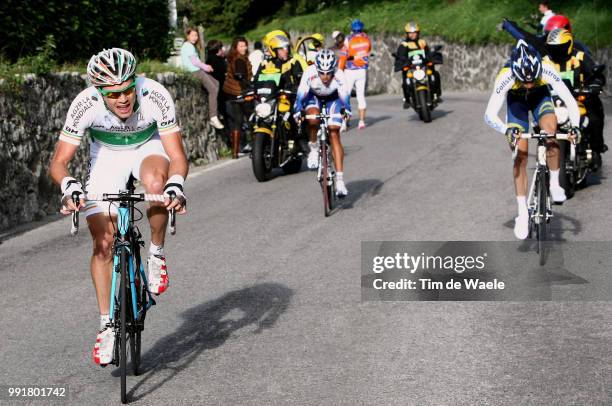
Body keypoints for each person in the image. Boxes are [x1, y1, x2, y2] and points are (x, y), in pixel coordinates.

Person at [49, 48, 188, 365]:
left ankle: (155, 253)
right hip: (107, 157)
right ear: (99, 92)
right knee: (102, 243)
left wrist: (175, 183)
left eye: (127, 90)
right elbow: (59, 162)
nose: (123, 99)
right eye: (113, 94)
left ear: (135, 82)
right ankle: (107, 325)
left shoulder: (155, 94)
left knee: (155, 185)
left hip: (148, 146)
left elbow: (177, 155)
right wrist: (69, 185)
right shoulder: (85, 104)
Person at [484, 40, 580, 240]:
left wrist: (575, 126)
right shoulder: (506, 76)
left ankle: (554, 182)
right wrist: (506, 130)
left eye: (531, 80)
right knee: (520, 154)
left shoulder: (546, 69)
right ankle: (522, 212)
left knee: (551, 132)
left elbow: (570, 101)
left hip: (540, 98)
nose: (528, 84)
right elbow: (489, 115)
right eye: (524, 81)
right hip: (516, 103)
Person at [294, 49, 351, 197]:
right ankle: (313, 147)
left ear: (333, 69)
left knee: (334, 131)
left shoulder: (339, 74)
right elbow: (300, 95)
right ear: (317, 69)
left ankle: (339, 181)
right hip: (314, 98)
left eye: (328, 73)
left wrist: (346, 111)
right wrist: (298, 111)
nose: (325, 77)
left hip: (333, 99)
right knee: (312, 118)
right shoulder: (309, 72)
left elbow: (344, 97)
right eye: (322, 73)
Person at [545, 28, 606, 160]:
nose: (556, 51)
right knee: (538, 119)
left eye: (560, 48)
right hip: (553, 100)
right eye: (553, 48)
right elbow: (535, 77)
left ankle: (596, 148)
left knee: (595, 117)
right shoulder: (545, 61)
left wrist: (595, 84)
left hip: (580, 98)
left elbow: (596, 74)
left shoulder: (580, 57)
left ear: (569, 45)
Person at [180, 27, 224, 129]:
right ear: (187, 36)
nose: (195, 38)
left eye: (196, 35)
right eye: (192, 35)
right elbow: (195, 62)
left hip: (197, 70)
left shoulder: (189, 46)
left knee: (216, 83)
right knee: (213, 89)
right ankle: (213, 116)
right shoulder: (188, 46)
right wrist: (206, 67)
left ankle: (215, 110)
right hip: (194, 71)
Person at [394, 21, 442, 109]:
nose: (413, 35)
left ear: (418, 33)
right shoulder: (404, 44)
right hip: (411, 68)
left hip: (423, 66)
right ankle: (407, 99)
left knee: (435, 75)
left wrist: (432, 55)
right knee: (405, 81)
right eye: (410, 33)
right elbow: (401, 56)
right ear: (407, 34)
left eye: (415, 32)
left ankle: (436, 95)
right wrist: (403, 61)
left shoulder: (422, 42)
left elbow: (428, 53)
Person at [223, 37, 253, 159]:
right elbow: (240, 74)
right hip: (241, 92)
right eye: (241, 46)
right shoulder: (239, 59)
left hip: (231, 93)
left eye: (245, 46)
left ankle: (235, 152)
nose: (244, 48)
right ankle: (258, 147)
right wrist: (249, 85)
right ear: (236, 47)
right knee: (252, 119)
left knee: (237, 122)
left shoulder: (232, 58)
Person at [339, 19, 371, 130]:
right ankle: (361, 122)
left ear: (352, 29)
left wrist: (340, 70)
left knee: (345, 96)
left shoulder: (348, 40)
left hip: (350, 70)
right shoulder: (366, 39)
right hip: (362, 70)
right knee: (360, 96)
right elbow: (367, 51)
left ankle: (344, 123)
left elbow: (343, 56)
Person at [206, 40, 228, 119]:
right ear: (218, 49)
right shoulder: (218, 60)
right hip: (220, 88)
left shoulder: (209, 58)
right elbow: (223, 72)